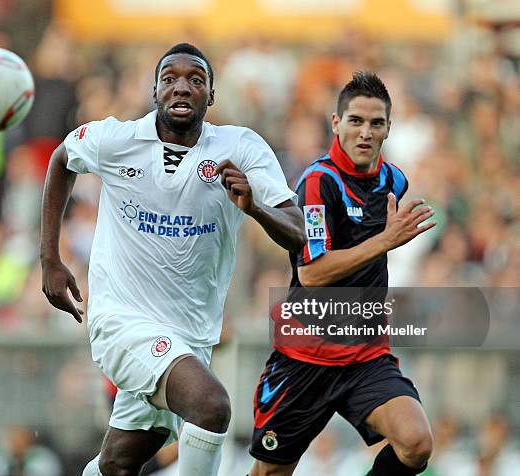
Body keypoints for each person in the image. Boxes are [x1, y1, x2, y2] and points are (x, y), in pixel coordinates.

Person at [39, 43, 305, 476]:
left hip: (189, 339)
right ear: (155, 90)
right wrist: (50, 258)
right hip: (120, 321)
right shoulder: (116, 140)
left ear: (211, 96)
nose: (182, 87)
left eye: (195, 80)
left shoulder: (241, 148)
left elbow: (299, 233)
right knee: (211, 406)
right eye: (170, 79)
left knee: (118, 465)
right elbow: (61, 159)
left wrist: (255, 207)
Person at [249, 72, 436, 476]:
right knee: (270, 473)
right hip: (306, 357)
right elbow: (313, 274)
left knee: (416, 443)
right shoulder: (319, 182)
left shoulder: (394, 180)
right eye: (355, 121)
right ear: (336, 123)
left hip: (366, 354)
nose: (365, 132)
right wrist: (385, 242)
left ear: (389, 128)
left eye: (376, 123)